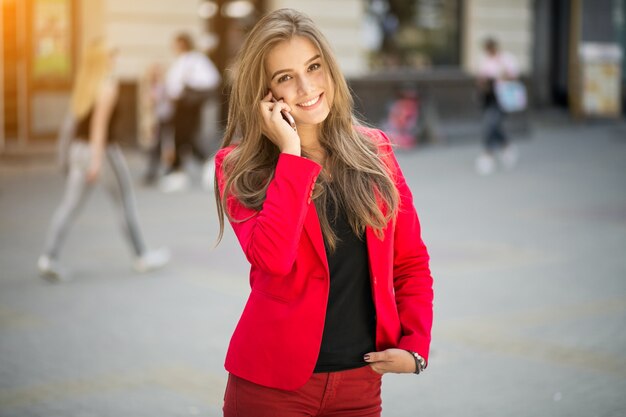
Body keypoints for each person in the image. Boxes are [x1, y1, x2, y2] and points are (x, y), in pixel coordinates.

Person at [213, 9, 433, 417]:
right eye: (285, 77)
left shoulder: (375, 151)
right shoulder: (238, 168)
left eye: (314, 67)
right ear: (266, 95)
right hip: (270, 388)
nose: (306, 86)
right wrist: (291, 154)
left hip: (359, 387)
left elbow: (411, 263)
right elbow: (273, 259)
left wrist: (416, 346)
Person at [37, 39, 170, 282]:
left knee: (69, 206)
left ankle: (48, 257)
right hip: (102, 152)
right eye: (111, 55)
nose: (114, 59)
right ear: (102, 60)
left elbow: (70, 125)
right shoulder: (107, 85)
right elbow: (99, 127)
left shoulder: (83, 85)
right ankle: (141, 256)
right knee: (125, 203)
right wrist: (96, 161)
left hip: (78, 150)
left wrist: (66, 156)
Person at [160, 32, 221, 192]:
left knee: (183, 137)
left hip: (188, 105)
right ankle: (195, 166)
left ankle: (180, 171)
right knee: (183, 138)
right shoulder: (182, 60)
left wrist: (188, 84)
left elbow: (211, 79)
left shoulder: (196, 59)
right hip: (178, 105)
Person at [475, 37, 520, 175]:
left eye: (490, 48)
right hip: (489, 98)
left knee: (490, 124)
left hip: (503, 97)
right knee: (494, 125)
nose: (489, 51)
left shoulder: (506, 59)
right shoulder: (485, 61)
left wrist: (501, 75)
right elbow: (481, 79)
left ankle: (487, 154)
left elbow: (513, 77)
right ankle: (507, 147)